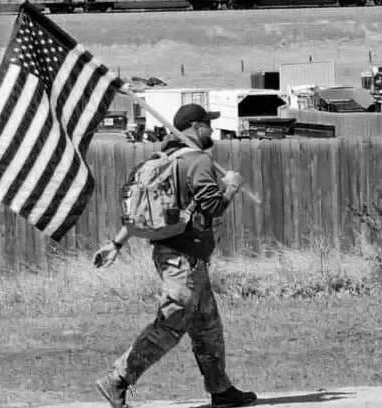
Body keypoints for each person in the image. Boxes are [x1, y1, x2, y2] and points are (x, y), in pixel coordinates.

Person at [92, 103, 258, 408]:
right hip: (183, 261)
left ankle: (220, 390)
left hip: (179, 256)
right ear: (195, 127)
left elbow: (143, 214)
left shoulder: (163, 159)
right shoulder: (197, 161)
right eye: (208, 124)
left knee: (208, 327)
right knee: (169, 325)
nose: (212, 130)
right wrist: (231, 186)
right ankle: (117, 379)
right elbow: (213, 207)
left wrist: (116, 244)